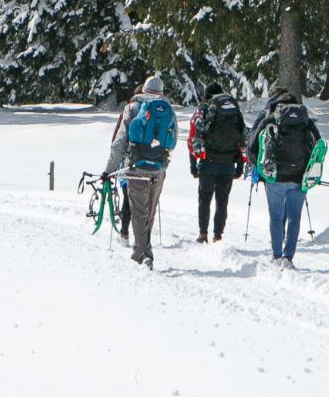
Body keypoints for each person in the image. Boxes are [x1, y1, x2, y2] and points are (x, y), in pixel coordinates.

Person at [105, 75, 178, 267]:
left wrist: (109, 169)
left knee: (138, 211)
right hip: (158, 168)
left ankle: (142, 252)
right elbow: (173, 141)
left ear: (144, 90)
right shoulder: (168, 111)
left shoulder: (132, 108)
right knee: (150, 211)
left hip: (135, 166)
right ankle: (145, 248)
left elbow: (119, 142)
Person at [250, 91, 323, 269]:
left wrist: (260, 169)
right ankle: (288, 258)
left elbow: (252, 147)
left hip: (274, 176)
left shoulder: (271, 118)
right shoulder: (305, 120)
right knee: (294, 218)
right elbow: (319, 145)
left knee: (275, 216)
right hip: (299, 177)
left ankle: (276, 256)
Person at [189, 89, 248, 242]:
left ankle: (203, 234)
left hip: (208, 163)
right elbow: (242, 139)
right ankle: (218, 236)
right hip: (228, 164)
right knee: (222, 202)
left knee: (204, 200)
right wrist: (239, 166)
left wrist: (193, 165)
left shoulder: (205, 111)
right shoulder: (234, 113)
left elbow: (194, 137)